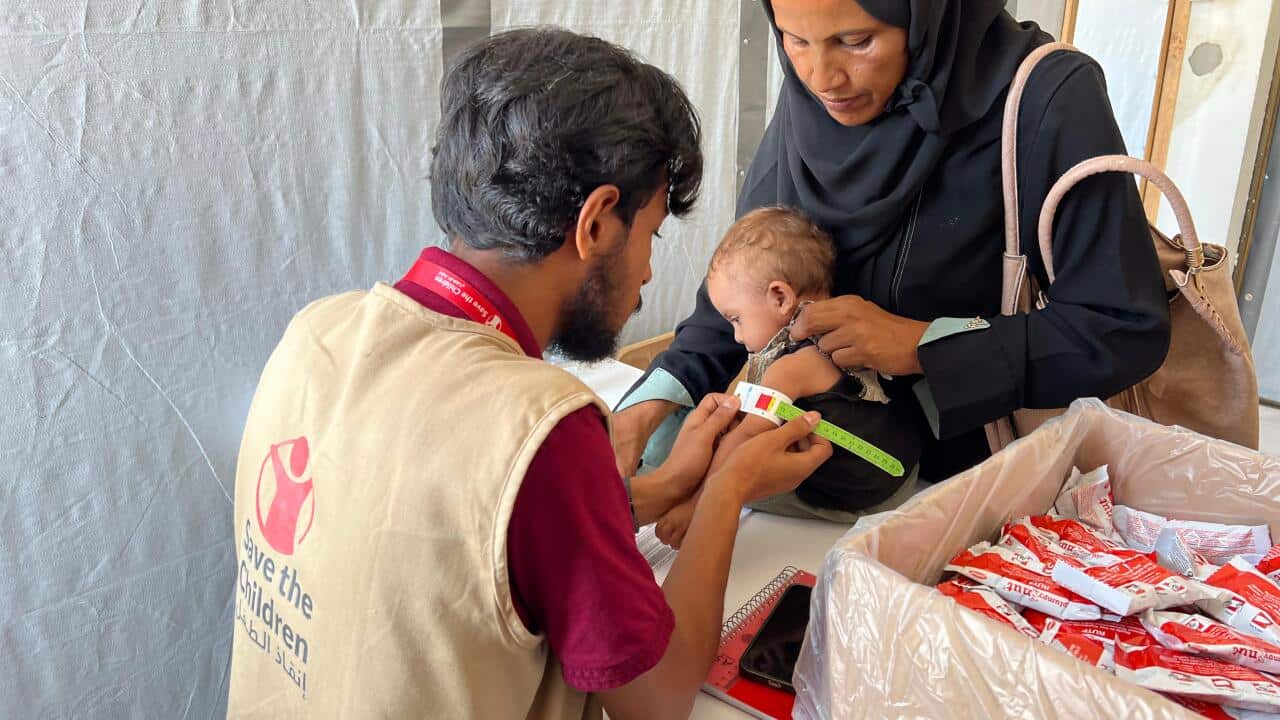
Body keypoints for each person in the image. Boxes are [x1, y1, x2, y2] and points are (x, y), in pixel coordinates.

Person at [225, 28, 831, 720]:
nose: (648, 272)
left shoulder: (318, 332)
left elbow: (468, 544)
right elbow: (657, 699)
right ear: (597, 223)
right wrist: (727, 488)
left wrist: (660, 490)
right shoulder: (540, 423)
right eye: (652, 234)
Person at [613, 0, 1171, 489]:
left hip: (970, 493)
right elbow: (752, 278)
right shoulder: (812, 98)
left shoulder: (1047, 98)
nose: (822, 77)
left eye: (856, 41)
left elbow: (1122, 328)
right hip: (821, 482)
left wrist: (923, 345)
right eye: (794, 39)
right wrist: (655, 399)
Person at [655, 207, 922, 547]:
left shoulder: (791, 367)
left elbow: (746, 440)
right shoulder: (848, 330)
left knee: (739, 482)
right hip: (906, 466)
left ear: (780, 297)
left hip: (869, 496)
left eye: (736, 319)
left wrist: (696, 502)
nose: (736, 336)